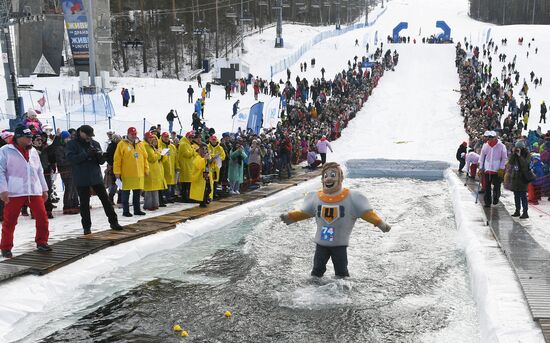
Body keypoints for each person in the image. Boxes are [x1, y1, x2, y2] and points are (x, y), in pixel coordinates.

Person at [280, 162, 391, 278]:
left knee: (341, 272)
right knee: (317, 271)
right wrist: (291, 216)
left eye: (333, 175)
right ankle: (314, 289)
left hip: (339, 244)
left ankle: (342, 291)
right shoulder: (316, 197)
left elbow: (366, 213)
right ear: (322, 180)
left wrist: (380, 224)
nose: (328, 179)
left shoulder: (352, 197)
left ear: (341, 178)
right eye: (325, 176)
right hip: (321, 244)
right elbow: (305, 212)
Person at [0, 126, 51, 258]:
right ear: (18, 137)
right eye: (27, 137)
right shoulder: (5, 150)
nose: (30, 140)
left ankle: (42, 242)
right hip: (14, 191)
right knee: (10, 221)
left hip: (33, 190)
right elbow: (1, 171)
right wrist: (3, 189)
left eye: (30, 137)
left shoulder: (33, 150)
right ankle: (6, 247)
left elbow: (39, 170)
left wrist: (44, 189)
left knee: (42, 217)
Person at [66, 125, 123, 234]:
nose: (89, 138)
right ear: (81, 133)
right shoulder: (72, 144)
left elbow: (100, 161)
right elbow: (71, 159)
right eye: (87, 135)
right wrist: (86, 154)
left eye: (90, 136)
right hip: (81, 178)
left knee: (105, 200)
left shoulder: (94, 143)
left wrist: (102, 157)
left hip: (95, 176)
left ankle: (114, 222)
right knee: (84, 204)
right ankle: (86, 227)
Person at [113, 127, 148, 217]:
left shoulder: (140, 144)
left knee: (137, 193)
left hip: (138, 173)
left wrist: (146, 169)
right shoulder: (122, 144)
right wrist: (117, 172)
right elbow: (117, 160)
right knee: (126, 193)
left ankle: (137, 210)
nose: (134, 135)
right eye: (132, 134)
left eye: (135, 134)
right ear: (128, 134)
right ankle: (126, 211)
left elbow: (145, 158)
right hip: (127, 174)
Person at [479, 131, 507, 207]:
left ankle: (496, 198)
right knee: (487, 186)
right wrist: (481, 167)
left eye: (492, 137)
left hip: (497, 169)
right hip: (487, 168)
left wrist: (501, 168)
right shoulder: (485, 145)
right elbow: (481, 157)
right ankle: (487, 202)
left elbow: (504, 158)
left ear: (495, 137)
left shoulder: (501, 146)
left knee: (497, 186)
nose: (490, 139)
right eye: (489, 137)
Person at [56, 130, 80, 214]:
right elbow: (60, 161)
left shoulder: (69, 146)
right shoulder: (59, 148)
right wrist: (72, 160)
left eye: (69, 138)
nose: (68, 139)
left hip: (72, 170)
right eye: (66, 138)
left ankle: (74, 205)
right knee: (69, 188)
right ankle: (67, 206)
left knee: (74, 188)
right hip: (65, 171)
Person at [143, 132, 166, 210]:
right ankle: (149, 205)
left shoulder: (150, 146)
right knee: (149, 189)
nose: (151, 139)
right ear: (146, 138)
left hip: (154, 170)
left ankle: (154, 204)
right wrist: (159, 154)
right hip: (150, 169)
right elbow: (152, 158)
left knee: (153, 188)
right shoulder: (146, 146)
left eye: (151, 137)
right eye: (149, 138)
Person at [508, 141, 530, 219]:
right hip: (515, 177)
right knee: (516, 196)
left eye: (519, 148)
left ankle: (525, 212)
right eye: (517, 148)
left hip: (523, 178)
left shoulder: (527, 154)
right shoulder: (515, 154)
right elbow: (510, 162)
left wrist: (519, 156)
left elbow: (525, 165)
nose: (518, 149)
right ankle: (517, 211)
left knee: (523, 196)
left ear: (522, 148)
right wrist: (513, 154)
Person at [176, 131, 197, 202]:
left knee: (187, 183)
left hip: (188, 166)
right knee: (186, 183)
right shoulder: (183, 144)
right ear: (187, 137)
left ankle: (187, 197)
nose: (191, 139)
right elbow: (187, 154)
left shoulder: (187, 144)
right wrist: (193, 151)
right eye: (190, 137)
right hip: (185, 166)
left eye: (192, 137)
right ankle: (185, 197)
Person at [159, 132, 177, 203]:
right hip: (163, 168)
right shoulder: (160, 145)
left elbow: (176, 158)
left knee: (169, 184)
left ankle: (168, 197)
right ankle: (164, 197)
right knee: (163, 184)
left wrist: (177, 166)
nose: (166, 138)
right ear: (162, 137)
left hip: (171, 167)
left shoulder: (172, 146)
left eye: (167, 137)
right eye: (164, 137)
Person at [207, 135, 226, 199]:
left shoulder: (220, 148)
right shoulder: (207, 147)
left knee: (215, 180)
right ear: (210, 140)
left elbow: (223, 156)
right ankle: (209, 194)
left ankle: (214, 193)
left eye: (215, 140)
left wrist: (218, 158)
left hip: (216, 168)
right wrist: (212, 156)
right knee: (209, 180)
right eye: (212, 140)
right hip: (209, 167)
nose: (214, 141)